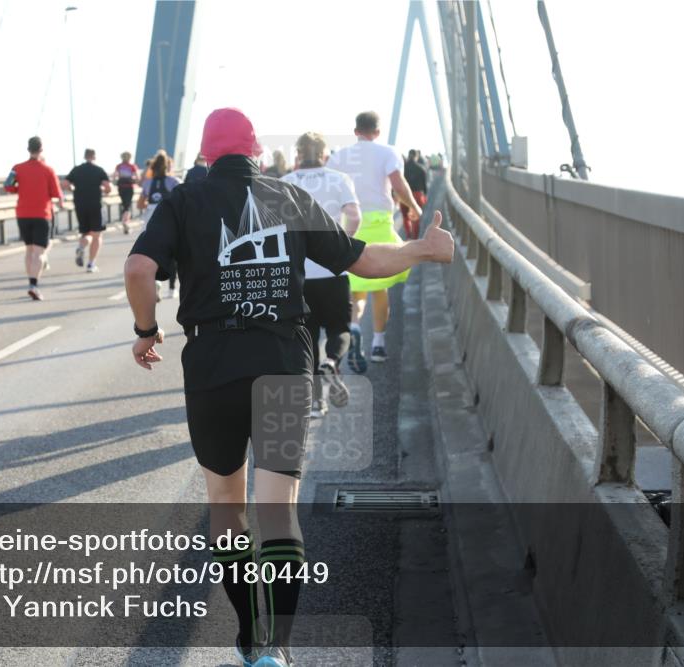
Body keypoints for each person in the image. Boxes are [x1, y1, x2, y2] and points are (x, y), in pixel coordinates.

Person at [124, 107, 454, 667]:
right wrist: (422, 249)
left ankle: (249, 637)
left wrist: (147, 331)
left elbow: (137, 271)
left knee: (227, 504)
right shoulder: (291, 198)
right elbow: (362, 260)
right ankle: (273, 649)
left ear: (206, 155)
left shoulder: (183, 200)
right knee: (279, 510)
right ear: (255, 152)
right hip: (280, 360)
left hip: (212, 365)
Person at [327, 111, 424, 370]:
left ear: (356, 130)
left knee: (356, 287)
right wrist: (413, 206)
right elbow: (398, 184)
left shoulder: (339, 156)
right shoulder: (388, 152)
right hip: (380, 222)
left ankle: (356, 326)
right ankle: (378, 344)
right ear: (377, 132)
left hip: (351, 223)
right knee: (380, 286)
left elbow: (330, 188)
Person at [281, 132, 361, 418]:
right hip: (333, 270)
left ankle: (317, 402)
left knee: (308, 336)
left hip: (300, 274)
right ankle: (332, 360)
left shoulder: (286, 183)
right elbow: (353, 215)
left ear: (299, 154)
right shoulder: (339, 179)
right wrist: (342, 246)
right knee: (340, 328)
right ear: (325, 154)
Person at [4, 136, 64, 301]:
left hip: (22, 214)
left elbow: (7, 185)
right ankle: (34, 284)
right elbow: (57, 194)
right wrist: (61, 203)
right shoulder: (48, 170)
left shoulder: (17, 168)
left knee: (29, 250)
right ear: (41, 149)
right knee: (39, 252)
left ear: (28, 149)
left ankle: (31, 281)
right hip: (42, 214)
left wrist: (19, 189)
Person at [138, 152, 181, 300]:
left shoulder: (147, 183)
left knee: (153, 254)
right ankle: (172, 289)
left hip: (151, 216)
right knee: (174, 254)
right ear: (169, 166)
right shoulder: (174, 181)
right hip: (168, 217)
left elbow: (139, 204)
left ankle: (156, 281)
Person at [63, 148, 111, 273]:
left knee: (86, 233)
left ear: (85, 156)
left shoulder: (77, 169)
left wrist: (73, 189)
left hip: (80, 204)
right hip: (95, 204)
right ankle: (91, 264)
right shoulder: (99, 170)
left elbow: (65, 183)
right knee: (97, 234)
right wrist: (105, 191)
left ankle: (81, 246)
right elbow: (108, 186)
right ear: (94, 156)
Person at [401, 149, 429, 240]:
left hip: (404, 194)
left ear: (408, 155)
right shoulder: (421, 169)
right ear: (416, 157)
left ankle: (408, 234)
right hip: (417, 195)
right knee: (416, 218)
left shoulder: (402, 168)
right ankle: (415, 238)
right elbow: (424, 186)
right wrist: (425, 195)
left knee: (405, 216)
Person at [113, 151, 140, 234]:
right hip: (129, 187)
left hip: (121, 187)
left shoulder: (119, 166)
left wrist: (116, 182)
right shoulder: (132, 166)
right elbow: (137, 177)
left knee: (124, 204)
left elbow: (114, 177)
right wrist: (135, 181)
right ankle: (126, 222)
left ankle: (125, 221)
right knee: (127, 206)